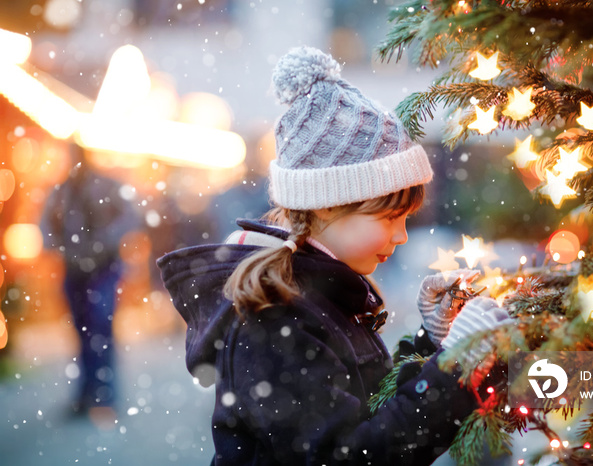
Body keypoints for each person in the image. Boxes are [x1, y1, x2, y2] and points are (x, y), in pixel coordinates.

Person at [157, 47, 512, 465]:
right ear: (327, 205)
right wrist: (454, 366)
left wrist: (430, 344)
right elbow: (352, 455)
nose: (400, 236)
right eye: (388, 217)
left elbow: (364, 401)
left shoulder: (318, 293)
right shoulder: (273, 320)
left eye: (407, 219)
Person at [41, 145, 140, 414]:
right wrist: (63, 248)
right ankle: (87, 394)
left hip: (103, 269)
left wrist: (102, 243)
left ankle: (104, 396)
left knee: (99, 329)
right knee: (83, 333)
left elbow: (130, 218)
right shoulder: (62, 191)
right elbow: (46, 226)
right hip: (75, 271)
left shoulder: (106, 186)